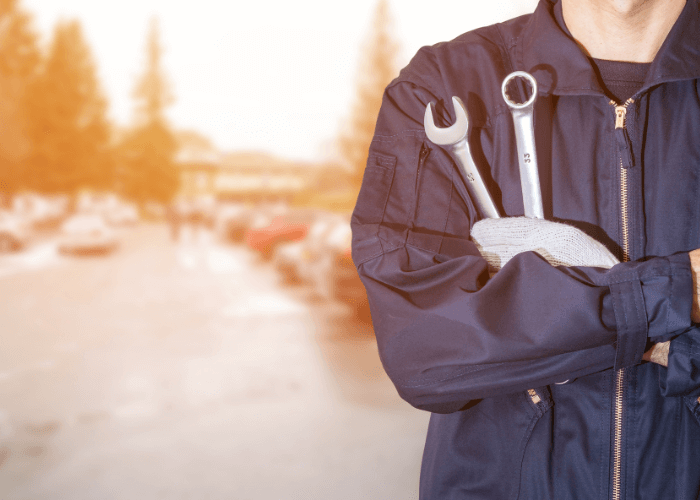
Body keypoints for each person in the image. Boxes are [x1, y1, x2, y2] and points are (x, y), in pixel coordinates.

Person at [350, 0, 700, 498]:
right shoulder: (445, 84)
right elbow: (426, 352)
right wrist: (671, 297)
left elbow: (471, 336)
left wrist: (647, 338)